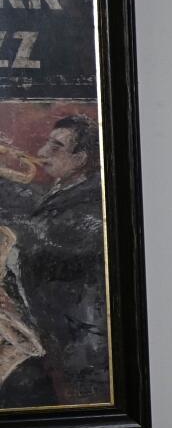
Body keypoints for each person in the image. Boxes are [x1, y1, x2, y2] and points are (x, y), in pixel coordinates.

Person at [0, 114, 107, 407]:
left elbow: (42, 236)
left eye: (56, 146)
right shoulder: (66, 189)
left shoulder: (92, 206)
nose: (43, 152)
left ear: (81, 158)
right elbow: (33, 204)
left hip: (77, 344)